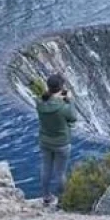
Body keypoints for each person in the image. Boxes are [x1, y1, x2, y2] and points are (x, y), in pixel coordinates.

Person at [36, 74, 76, 206]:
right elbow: (73, 118)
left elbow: (46, 99)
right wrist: (70, 100)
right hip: (61, 143)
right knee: (60, 173)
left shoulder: (39, 103)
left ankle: (46, 197)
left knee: (45, 169)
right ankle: (64, 199)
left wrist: (56, 96)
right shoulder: (63, 107)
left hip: (45, 141)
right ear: (61, 87)